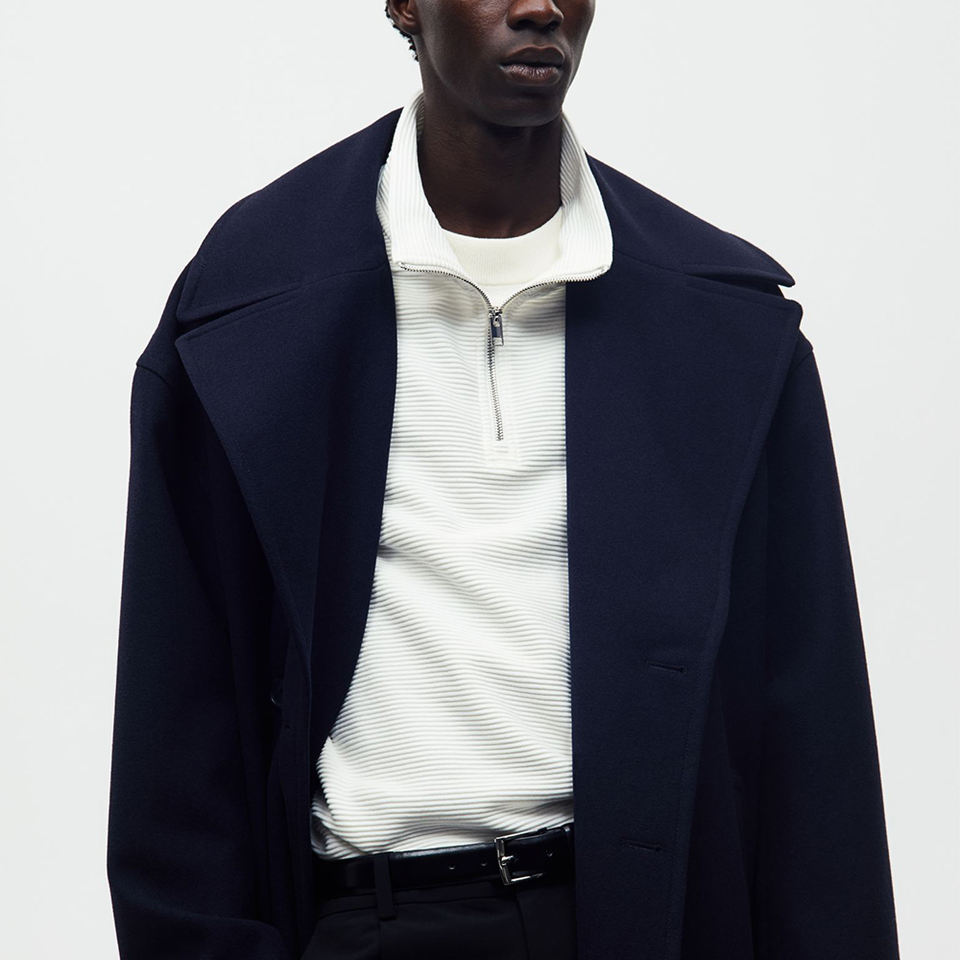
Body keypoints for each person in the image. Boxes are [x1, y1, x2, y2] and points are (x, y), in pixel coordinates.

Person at [106, 2, 901, 958]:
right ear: (405, 4)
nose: (540, 6)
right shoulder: (249, 301)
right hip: (369, 921)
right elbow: (177, 723)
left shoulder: (721, 322)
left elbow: (811, 730)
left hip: (647, 919)